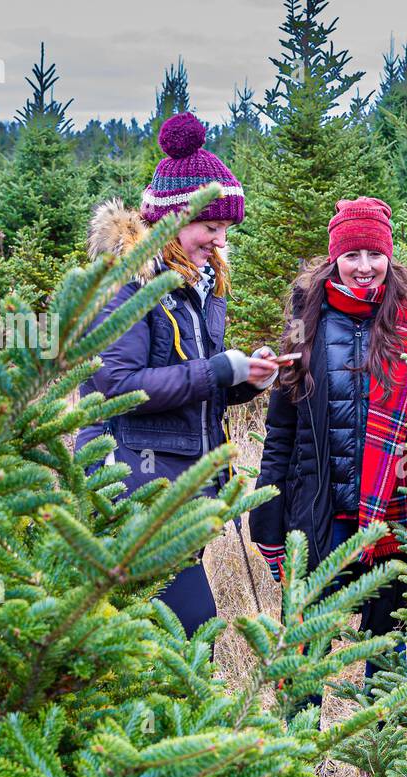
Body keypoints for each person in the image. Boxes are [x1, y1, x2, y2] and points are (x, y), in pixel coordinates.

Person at [74, 111, 279, 636]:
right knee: (187, 627)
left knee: (172, 634)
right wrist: (217, 370)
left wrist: (242, 381)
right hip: (130, 480)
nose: (220, 241)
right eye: (210, 228)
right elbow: (116, 387)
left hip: (180, 480)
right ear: (172, 222)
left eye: (226, 230)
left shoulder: (203, 284)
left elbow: (193, 385)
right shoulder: (128, 282)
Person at [249, 196, 407, 715]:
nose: (363, 267)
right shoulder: (307, 326)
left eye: (373, 254)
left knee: (389, 641)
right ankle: (295, 753)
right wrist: (267, 517)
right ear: (334, 259)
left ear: (389, 256)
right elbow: (280, 433)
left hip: (395, 515)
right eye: (352, 255)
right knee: (306, 641)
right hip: (322, 513)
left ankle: (381, 759)